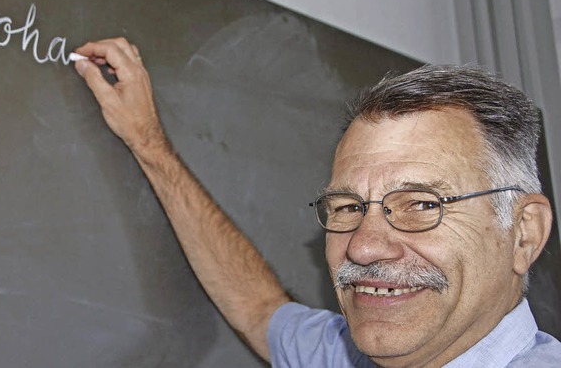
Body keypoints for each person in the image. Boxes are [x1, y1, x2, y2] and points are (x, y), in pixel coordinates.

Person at [73, 37, 561, 367]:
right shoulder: (343, 356)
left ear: (524, 233)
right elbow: (261, 311)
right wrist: (149, 145)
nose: (364, 247)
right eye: (348, 207)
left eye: (420, 203)